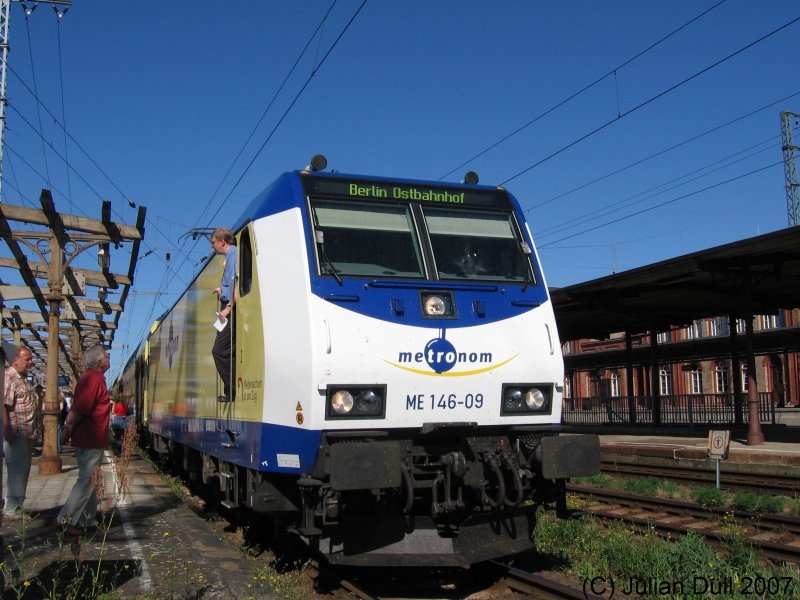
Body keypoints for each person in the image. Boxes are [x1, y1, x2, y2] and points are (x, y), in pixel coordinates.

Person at [57, 345, 112, 534]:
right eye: (106, 355)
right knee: (87, 481)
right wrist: (68, 429)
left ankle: (86, 520)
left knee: (92, 481)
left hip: (90, 438)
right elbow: (80, 410)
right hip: (90, 438)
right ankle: (66, 519)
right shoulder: (94, 380)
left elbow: (77, 408)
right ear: (99, 362)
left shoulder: (90, 379)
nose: (109, 357)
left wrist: (68, 429)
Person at [2, 346, 40, 520]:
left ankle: (16, 506)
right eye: (27, 359)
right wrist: (7, 427)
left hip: (26, 433)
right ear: (16, 360)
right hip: (16, 433)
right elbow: (4, 404)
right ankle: (11, 509)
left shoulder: (22, 378)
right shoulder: (9, 377)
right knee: (16, 471)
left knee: (22, 470)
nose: (31, 362)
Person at [210, 227, 237, 402]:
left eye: (213, 243)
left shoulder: (233, 256)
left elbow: (236, 282)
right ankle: (230, 390)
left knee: (218, 351)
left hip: (230, 312)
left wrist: (228, 308)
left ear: (222, 242)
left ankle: (232, 390)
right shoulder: (230, 257)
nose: (212, 246)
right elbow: (230, 283)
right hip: (228, 308)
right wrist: (222, 289)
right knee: (227, 350)